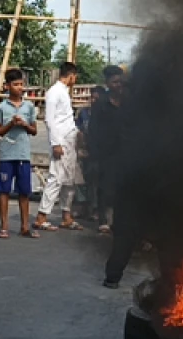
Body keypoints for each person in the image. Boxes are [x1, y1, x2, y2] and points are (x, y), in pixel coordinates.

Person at [35, 62, 82, 232]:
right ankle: (42, 216)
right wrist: (56, 143)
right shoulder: (54, 92)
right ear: (71, 75)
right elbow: (49, 119)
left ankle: (66, 215)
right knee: (55, 178)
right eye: (75, 77)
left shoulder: (64, 92)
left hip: (70, 140)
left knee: (70, 180)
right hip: (61, 141)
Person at [0, 69, 39, 239]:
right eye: (15, 84)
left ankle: (25, 226)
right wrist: (11, 124)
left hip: (23, 154)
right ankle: (4, 226)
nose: (19, 88)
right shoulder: (2, 107)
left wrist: (25, 125)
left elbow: (34, 130)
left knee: (24, 192)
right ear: (7, 86)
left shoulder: (29, 107)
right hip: (6, 153)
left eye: (21, 84)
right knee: (4, 191)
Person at [88, 65, 125, 233]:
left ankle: (119, 220)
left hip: (124, 150)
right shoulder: (101, 104)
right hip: (105, 152)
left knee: (122, 187)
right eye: (114, 82)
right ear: (108, 83)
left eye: (120, 81)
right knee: (104, 186)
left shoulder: (128, 102)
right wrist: (93, 153)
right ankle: (103, 219)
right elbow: (93, 129)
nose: (118, 85)